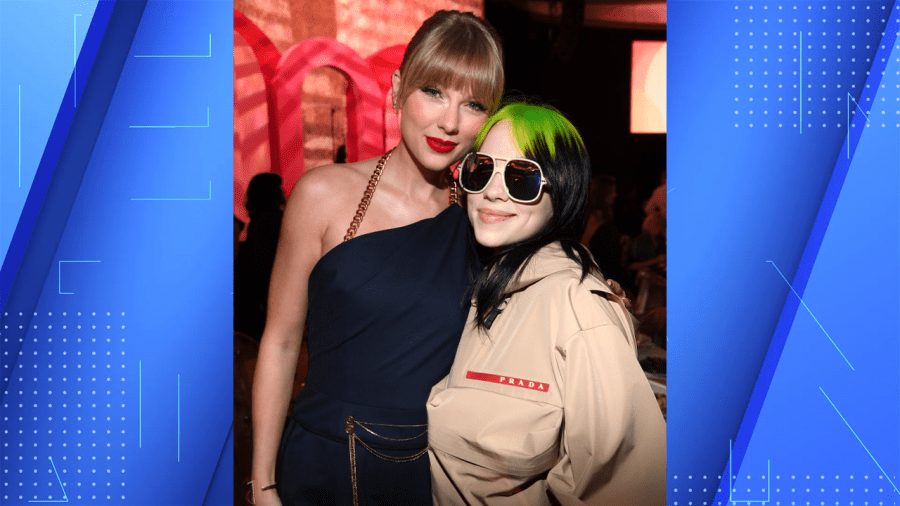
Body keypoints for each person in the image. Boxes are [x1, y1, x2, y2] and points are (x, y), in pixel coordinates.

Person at [249, 10, 505, 506]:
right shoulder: (321, 194)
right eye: (432, 91)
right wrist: (261, 483)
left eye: (472, 103)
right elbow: (280, 342)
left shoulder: (481, 221)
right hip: (323, 463)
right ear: (396, 89)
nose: (449, 122)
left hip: (431, 473)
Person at [427, 103, 666, 505]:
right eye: (481, 169)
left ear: (564, 192)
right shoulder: (485, 287)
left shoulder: (578, 308)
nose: (493, 190)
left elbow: (627, 489)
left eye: (522, 178)